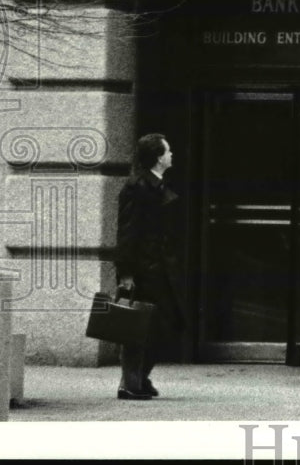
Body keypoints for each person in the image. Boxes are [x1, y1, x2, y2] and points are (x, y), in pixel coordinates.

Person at [115, 133, 184, 400]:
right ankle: (130, 383)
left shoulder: (158, 184)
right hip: (144, 270)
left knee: (164, 325)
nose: (171, 155)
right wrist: (127, 273)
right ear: (158, 157)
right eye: (168, 151)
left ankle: (140, 376)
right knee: (138, 328)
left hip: (161, 269)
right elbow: (127, 232)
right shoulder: (136, 186)